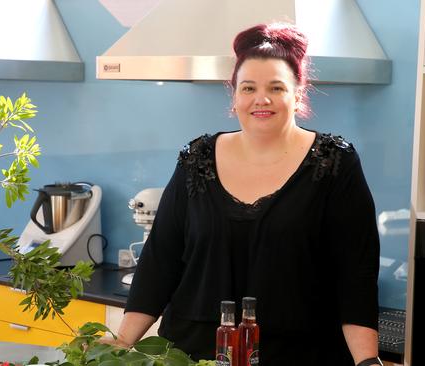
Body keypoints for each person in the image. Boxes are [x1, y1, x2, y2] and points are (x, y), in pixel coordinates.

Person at [114, 23, 382, 366]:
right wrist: (121, 343)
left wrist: (367, 361)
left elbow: (356, 273)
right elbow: (160, 260)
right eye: (249, 87)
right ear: (235, 96)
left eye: (276, 87)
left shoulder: (335, 164)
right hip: (193, 354)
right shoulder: (197, 159)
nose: (261, 99)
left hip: (302, 354)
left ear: (298, 93)